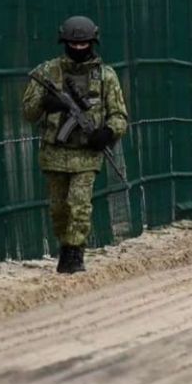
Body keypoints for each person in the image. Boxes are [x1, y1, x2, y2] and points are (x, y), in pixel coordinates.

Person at [20, 15, 128, 274]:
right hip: (54, 153)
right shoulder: (47, 72)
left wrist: (108, 133)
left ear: (93, 42)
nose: (79, 49)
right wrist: (46, 103)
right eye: (74, 44)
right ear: (64, 42)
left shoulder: (105, 76)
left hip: (87, 156)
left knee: (79, 205)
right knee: (59, 209)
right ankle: (65, 245)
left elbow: (119, 115)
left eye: (84, 44)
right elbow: (28, 112)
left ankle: (74, 253)